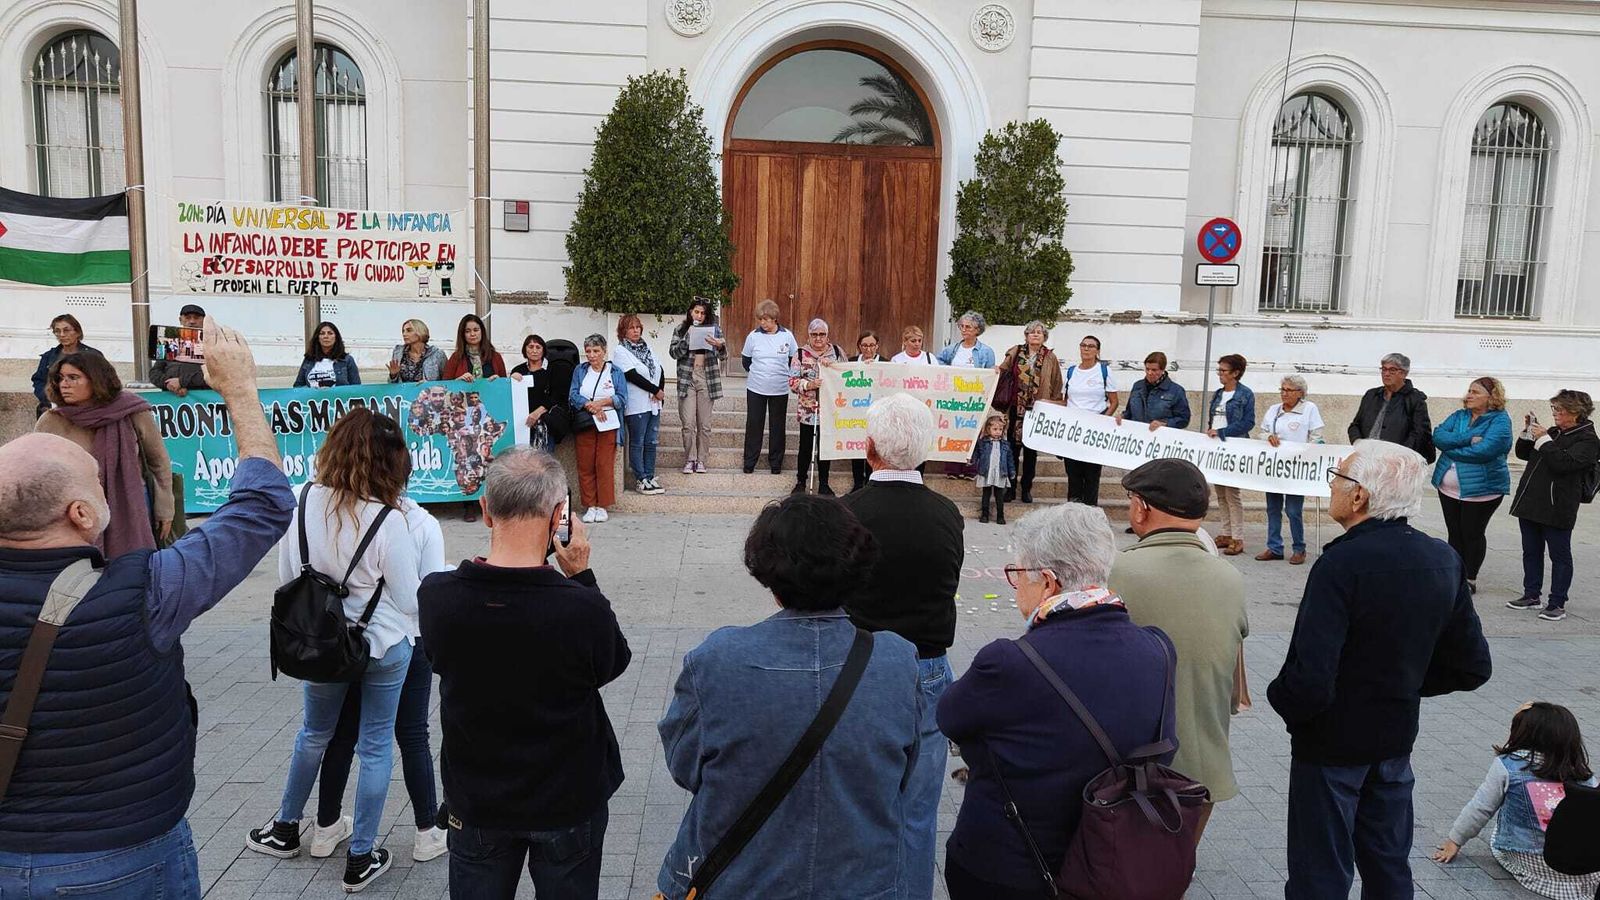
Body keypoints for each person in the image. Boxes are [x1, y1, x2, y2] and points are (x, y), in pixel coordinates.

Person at [0, 318, 290, 899]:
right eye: (98, 485)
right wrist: (241, 393)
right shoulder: (145, 591)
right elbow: (262, 504)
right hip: (124, 862)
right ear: (81, 516)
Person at [655, 495, 919, 900]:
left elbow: (685, 766)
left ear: (770, 575)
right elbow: (902, 771)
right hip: (862, 882)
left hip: (741, 884)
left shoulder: (717, 661)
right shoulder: (898, 660)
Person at [1268, 439, 1493, 899]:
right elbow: (1470, 666)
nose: (1331, 485)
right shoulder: (1441, 558)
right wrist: (1404, 684)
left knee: (1321, 874)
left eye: (1339, 477)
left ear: (1359, 496)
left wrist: (1283, 700)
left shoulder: (1342, 562)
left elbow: (1309, 679)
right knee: (1388, 864)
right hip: (1393, 737)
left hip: (1332, 743)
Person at [420, 448, 630, 899]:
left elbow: (439, 659)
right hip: (567, 798)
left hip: (478, 798)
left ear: (486, 512)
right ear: (559, 516)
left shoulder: (439, 597)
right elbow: (613, 663)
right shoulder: (580, 607)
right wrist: (581, 575)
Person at [939, 503, 1177, 900]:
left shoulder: (1007, 662)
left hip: (1011, 863)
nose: (1016, 586)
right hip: (1112, 856)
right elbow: (1164, 750)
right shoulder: (1158, 648)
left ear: (1048, 582)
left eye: (1017, 575)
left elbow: (949, 717)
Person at [245, 409, 426, 891]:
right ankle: (362, 855)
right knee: (375, 745)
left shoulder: (302, 500)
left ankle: (284, 827)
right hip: (382, 644)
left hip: (321, 644)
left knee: (313, 734)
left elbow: (289, 579)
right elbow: (411, 600)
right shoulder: (388, 520)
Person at [838, 392, 963, 899]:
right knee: (917, 809)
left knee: (857, 801)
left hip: (858, 668)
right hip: (927, 668)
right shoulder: (946, 512)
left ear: (869, 450)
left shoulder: (847, 512)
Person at [1109, 458, 1248, 844]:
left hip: (1130, 773)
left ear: (1142, 508)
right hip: (1204, 773)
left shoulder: (1117, 570)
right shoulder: (1231, 579)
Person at [1433, 702, 1600, 899]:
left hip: (1531, 862)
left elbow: (1480, 808)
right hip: (1584, 869)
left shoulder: (1509, 766)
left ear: (1523, 733)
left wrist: (1455, 840)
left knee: (1498, 831)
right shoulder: (1583, 773)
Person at [36, 351, 175, 555]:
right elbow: (37, 473)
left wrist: (165, 508)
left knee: (132, 566)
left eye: (73, 378)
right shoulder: (52, 421)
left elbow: (159, 462)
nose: (64, 384)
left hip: (131, 503)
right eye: (60, 378)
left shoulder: (132, 411)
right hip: (74, 511)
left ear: (96, 380)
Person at [1507, 389, 1599, 622]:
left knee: (1559, 555)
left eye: (1560, 409)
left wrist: (1544, 440)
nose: (1555, 414)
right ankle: (1531, 594)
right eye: (1554, 409)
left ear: (1576, 412)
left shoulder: (1588, 439)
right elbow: (1524, 454)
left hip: (1558, 505)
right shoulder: (1554, 432)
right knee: (1531, 551)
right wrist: (1529, 433)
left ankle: (1557, 602)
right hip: (1531, 502)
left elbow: (1564, 464)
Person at [1432, 377, 1513, 594]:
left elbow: (1484, 451)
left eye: (1475, 392)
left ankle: (1470, 578)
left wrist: (1452, 446)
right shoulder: (1460, 415)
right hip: (1448, 488)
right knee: (1454, 532)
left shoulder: (1500, 421)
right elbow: (1438, 436)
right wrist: (1469, 438)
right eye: (1469, 391)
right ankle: (1454, 575)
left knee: (1472, 534)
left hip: (1482, 490)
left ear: (1491, 397)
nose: (1469, 395)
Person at [1257, 374, 1325, 564]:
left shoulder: (1309, 409)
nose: (1284, 393)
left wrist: (1308, 453)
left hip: (1296, 469)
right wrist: (1268, 437)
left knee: (1293, 510)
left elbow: (1317, 436)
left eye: (1289, 390)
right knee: (1273, 508)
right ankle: (1274, 547)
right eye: (1282, 389)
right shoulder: (1274, 410)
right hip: (1275, 466)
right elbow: (1262, 432)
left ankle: (1299, 548)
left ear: (1300, 393)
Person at [996, 322, 1064, 504]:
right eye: (1032, 332)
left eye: (1039, 332)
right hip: (1015, 410)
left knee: (1031, 453)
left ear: (1044, 337)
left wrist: (1054, 404)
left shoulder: (1050, 357)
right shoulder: (1016, 351)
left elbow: (1057, 382)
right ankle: (1009, 488)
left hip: (1036, 412)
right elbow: (1002, 370)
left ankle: (1026, 489)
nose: (1035, 335)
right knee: (1012, 450)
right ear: (1026, 335)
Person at [668, 298, 726, 474]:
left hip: (706, 378)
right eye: (696, 312)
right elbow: (673, 353)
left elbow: (724, 356)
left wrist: (719, 346)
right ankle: (690, 459)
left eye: (702, 313)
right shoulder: (681, 329)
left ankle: (701, 460)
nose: (699, 316)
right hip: (687, 378)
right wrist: (688, 337)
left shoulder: (714, 329)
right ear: (690, 312)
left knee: (704, 424)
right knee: (688, 423)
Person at [571, 334, 625, 523]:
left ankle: (602, 505)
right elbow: (573, 395)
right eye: (588, 351)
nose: (592, 355)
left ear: (604, 351)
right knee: (585, 464)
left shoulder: (615, 371)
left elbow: (621, 397)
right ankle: (590, 505)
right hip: (586, 421)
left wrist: (602, 403)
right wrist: (591, 406)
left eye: (596, 351)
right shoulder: (580, 370)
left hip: (608, 422)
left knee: (603, 464)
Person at [1204, 354, 1254, 555]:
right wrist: (1211, 431)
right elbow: (1213, 419)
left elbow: (1247, 422)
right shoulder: (1218, 394)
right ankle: (1225, 532)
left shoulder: (1245, 394)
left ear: (1236, 373)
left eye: (1224, 371)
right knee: (1221, 493)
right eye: (1219, 370)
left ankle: (1238, 536)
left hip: (1233, 446)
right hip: (1216, 447)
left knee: (1232, 494)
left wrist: (1222, 432)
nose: (1220, 374)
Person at [612, 313, 666, 495]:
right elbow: (632, 375)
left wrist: (660, 391)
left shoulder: (646, 347)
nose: (635, 331)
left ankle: (650, 476)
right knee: (638, 441)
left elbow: (659, 368)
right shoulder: (621, 351)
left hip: (653, 404)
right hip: (637, 404)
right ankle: (640, 478)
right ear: (623, 332)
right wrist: (654, 390)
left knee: (651, 441)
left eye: (637, 327)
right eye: (630, 328)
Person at [1061, 335, 1118, 506]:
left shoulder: (1104, 371)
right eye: (1083, 345)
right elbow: (1065, 401)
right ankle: (1072, 514)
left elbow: (1114, 402)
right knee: (1073, 475)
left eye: (1091, 346)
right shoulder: (1071, 371)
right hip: (1073, 430)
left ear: (1097, 351)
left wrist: (1102, 421)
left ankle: (1090, 513)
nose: (1086, 349)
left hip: (1093, 432)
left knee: (1092, 475)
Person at [740, 299, 796, 475]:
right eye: (761, 320)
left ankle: (776, 464)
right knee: (754, 424)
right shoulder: (753, 336)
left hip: (779, 389)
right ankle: (749, 463)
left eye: (766, 319)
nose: (763, 323)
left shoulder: (787, 336)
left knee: (777, 426)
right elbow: (746, 361)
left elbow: (793, 360)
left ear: (774, 319)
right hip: (756, 388)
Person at [790, 317, 844, 495]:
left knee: (825, 446)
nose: (818, 338)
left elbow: (846, 375)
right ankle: (801, 481)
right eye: (814, 335)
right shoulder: (800, 354)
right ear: (809, 336)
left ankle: (824, 482)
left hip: (830, 409)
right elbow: (792, 381)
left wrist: (833, 367)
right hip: (808, 409)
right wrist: (809, 385)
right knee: (805, 446)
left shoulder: (836, 352)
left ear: (827, 336)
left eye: (822, 334)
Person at [1348, 352, 1435, 461]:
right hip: (1366, 458)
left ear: (1404, 373)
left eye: (1392, 370)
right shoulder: (1371, 395)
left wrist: (1399, 455)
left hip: (1396, 461)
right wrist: (1358, 443)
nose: (1386, 374)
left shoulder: (1415, 399)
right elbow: (1355, 425)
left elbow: (1419, 433)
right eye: (1384, 369)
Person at [510, 334, 570, 451]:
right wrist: (511, 380)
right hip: (522, 426)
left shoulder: (554, 369)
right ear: (525, 349)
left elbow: (557, 396)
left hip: (544, 425)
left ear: (543, 350)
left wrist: (537, 413)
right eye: (531, 347)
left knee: (543, 464)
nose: (534, 350)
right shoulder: (518, 370)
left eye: (538, 347)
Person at [32, 313, 97, 416]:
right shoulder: (49, 357)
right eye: (57, 331)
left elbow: (102, 382)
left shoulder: (92, 356)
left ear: (77, 332)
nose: (62, 335)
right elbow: (39, 380)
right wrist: (49, 398)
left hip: (84, 406)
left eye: (66, 330)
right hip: (54, 405)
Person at [1120, 351, 1190, 432]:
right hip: (1137, 436)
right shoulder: (1137, 386)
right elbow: (1129, 412)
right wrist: (1123, 416)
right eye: (1147, 369)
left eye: (1154, 370)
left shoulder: (1176, 391)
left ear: (1162, 370)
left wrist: (1164, 424)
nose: (1150, 373)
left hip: (1160, 439)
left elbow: (1184, 419)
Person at [849, 330, 883, 491]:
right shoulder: (851, 362)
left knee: (873, 449)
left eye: (871, 345)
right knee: (855, 448)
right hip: (855, 413)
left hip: (877, 414)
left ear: (877, 346)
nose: (868, 349)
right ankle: (857, 482)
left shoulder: (885, 363)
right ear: (859, 346)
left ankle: (871, 482)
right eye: (864, 345)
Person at [151, 303, 210, 395]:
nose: (192, 321)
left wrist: (181, 382)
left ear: (204, 320)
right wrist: (169, 384)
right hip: (171, 398)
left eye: (196, 318)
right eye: (188, 317)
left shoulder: (212, 343)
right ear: (180, 320)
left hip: (202, 398)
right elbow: (154, 372)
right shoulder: (170, 343)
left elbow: (216, 374)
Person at [971, 413, 1015, 524]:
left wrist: (1012, 471)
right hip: (987, 472)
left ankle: (1000, 516)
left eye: (1000, 429)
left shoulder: (1005, 444)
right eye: (995, 429)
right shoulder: (983, 443)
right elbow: (977, 454)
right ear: (988, 429)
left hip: (1000, 473)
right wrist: (972, 461)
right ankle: (984, 514)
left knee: (999, 495)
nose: (997, 431)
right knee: (986, 494)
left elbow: (1009, 459)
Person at [294, 320, 361, 388]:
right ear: (317, 338)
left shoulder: (347, 360)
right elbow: (298, 386)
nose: (326, 336)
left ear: (336, 337)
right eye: (322, 333)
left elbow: (356, 388)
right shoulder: (309, 360)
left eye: (330, 333)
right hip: (314, 398)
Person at [443, 313, 508, 382]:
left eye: (476, 330)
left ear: (482, 331)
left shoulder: (496, 357)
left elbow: (505, 385)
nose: (472, 334)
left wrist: (499, 381)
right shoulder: (456, 357)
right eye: (467, 331)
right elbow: (445, 386)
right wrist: (458, 381)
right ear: (462, 334)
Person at [388, 318, 447, 383]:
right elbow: (392, 383)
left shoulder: (437, 354)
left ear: (420, 332)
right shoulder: (398, 352)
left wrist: (427, 384)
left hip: (428, 392)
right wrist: (393, 375)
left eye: (409, 330)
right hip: (403, 392)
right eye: (403, 331)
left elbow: (446, 379)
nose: (404, 334)